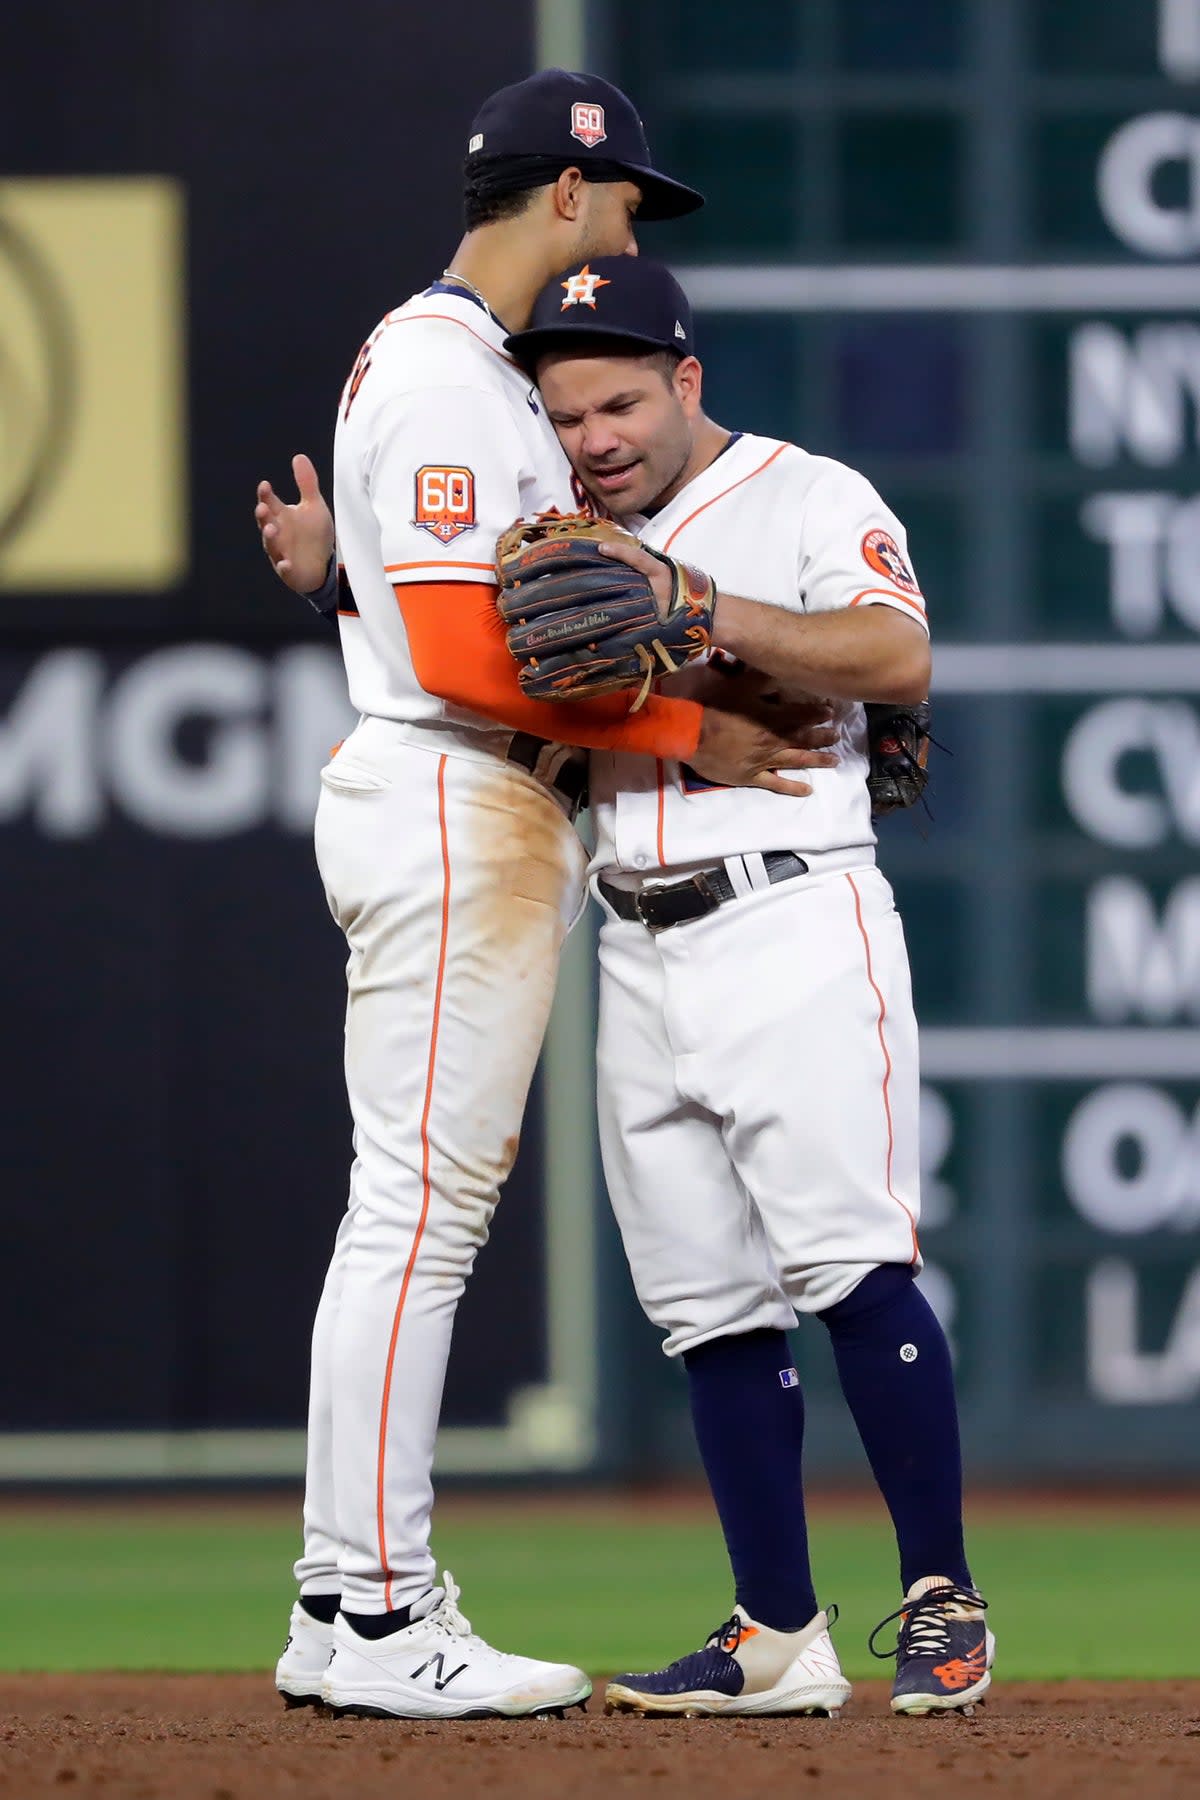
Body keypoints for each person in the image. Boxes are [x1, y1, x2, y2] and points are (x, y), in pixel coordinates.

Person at [255, 71, 834, 1723]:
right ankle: (377, 1612)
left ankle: (335, 1600)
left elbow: (421, 608)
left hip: (462, 796)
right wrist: (690, 727)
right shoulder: (446, 371)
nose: (632, 221)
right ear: (569, 195)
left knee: (408, 1216)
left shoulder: (446, 371)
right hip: (457, 803)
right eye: (626, 198)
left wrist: (337, 582)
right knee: (416, 1221)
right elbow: (454, 653)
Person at [491, 255, 994, 1719]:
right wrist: (340, 575)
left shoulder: (806, 495)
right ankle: (775, 1633)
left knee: (850, 1265)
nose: (594, 437)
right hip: (633, 939)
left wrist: (702, 606)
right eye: (567, 410)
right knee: (707, 1309)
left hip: (791, 920)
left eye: (621, 401)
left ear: (688, 380)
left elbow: (895, 656)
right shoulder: (557, 531)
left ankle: (943, 1598)